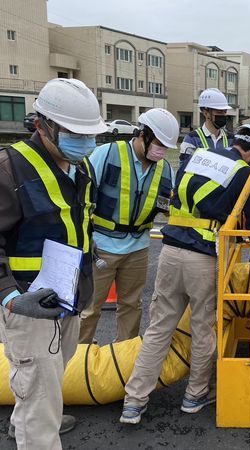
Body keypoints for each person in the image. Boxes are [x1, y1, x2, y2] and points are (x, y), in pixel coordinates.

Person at [120, 124, 250, 424]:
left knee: (158, 327)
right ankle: (195, 395)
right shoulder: (245, 173)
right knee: (203, 327)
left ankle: (134, 400)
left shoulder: (199, 157)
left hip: (169, 252)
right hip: (203, 259)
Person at [0, 78, 106, 448]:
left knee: (44, 385)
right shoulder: (8, 169)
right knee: (39, 396)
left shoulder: (81, 169)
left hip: (68, 299)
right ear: (42, 125)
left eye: (91, 135)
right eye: (76, 133)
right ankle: (35, 431)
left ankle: (27, 421)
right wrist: (9, 297)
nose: (87, 143)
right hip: (30, 307)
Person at [79, 108, 177, 343]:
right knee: (89, 308)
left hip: (138, 247)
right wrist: (84, 239)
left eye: (166, 146)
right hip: (100, 245)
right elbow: (80, 198)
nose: (161, 150)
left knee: (132, 306)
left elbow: (167, 206)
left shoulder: (165, 169)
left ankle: (122, 359)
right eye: (158, 143)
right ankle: (75, 362)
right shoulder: (107, 154)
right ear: (142, 134)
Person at [179, 88, 233, 163]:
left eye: (225, 112)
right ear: (206, 113)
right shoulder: (192, 139)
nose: (223, 115)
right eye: (219, 112)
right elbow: (184, 168)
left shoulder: (232, 139)